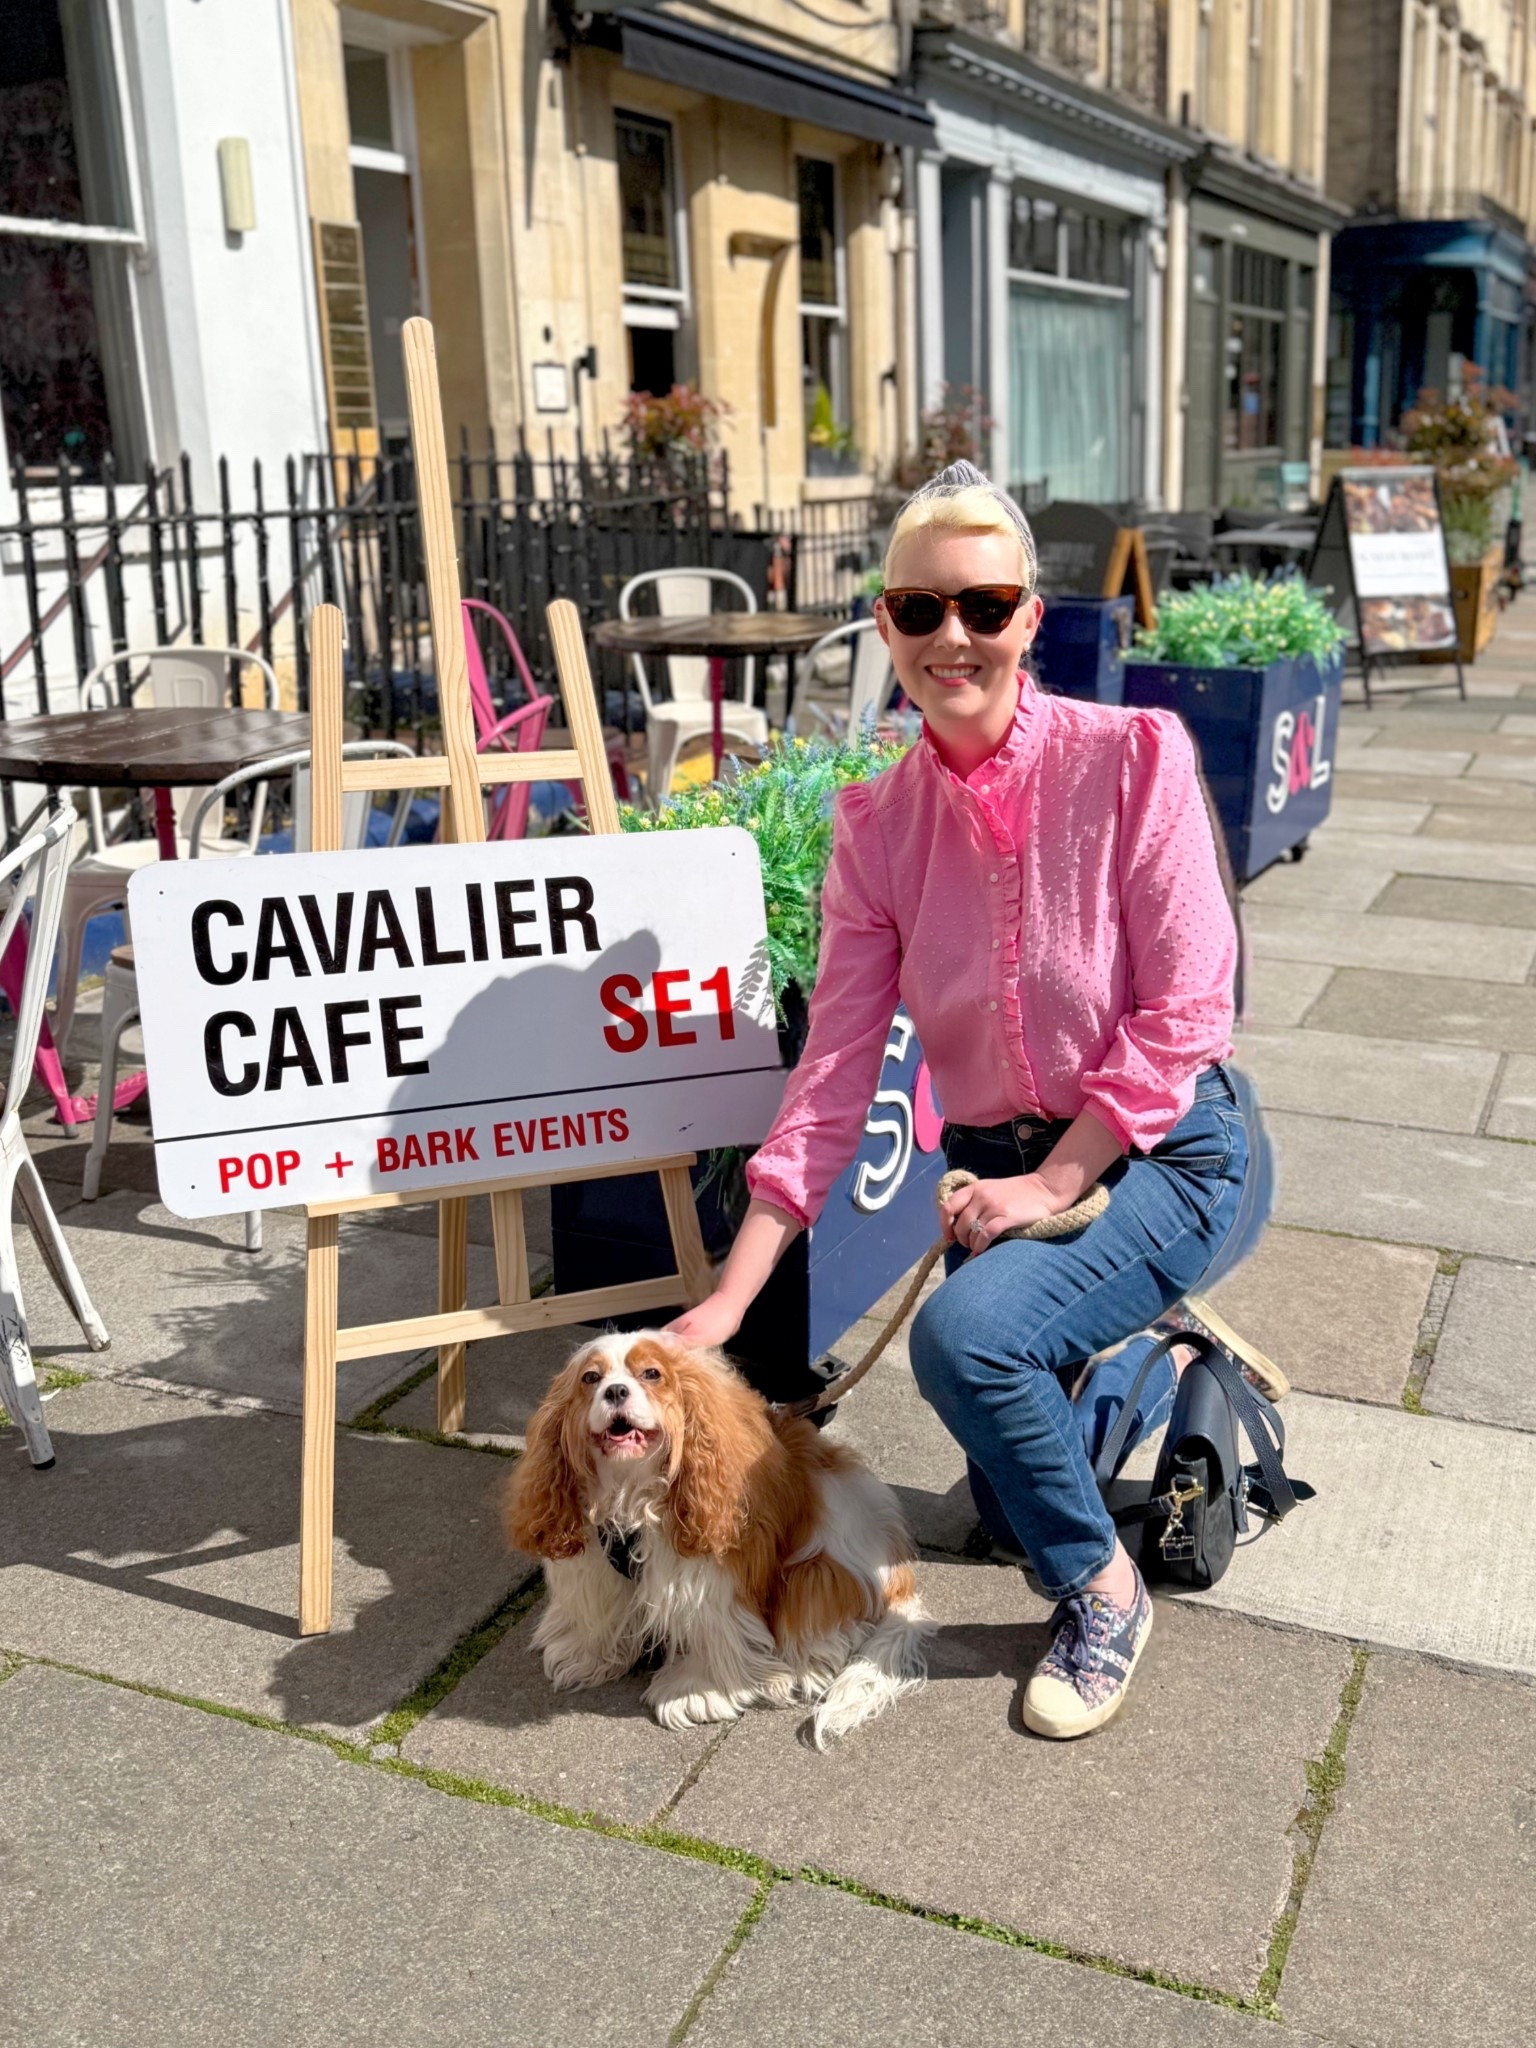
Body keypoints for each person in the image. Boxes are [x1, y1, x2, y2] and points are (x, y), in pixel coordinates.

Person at [668, 460, 1250, 1740]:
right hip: (1004, 1163)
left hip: (1169, 1146)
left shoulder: (1130, 759)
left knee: (966, 1344)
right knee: (1002, 1482)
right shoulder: (878, 827)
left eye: (984, 606)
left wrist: (1054, 1181)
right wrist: (730, 1296)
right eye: (918, 608)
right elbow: (831, 1076)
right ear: (883, 623)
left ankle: (1103, 1592)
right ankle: (1132, 1366)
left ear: (1030, 617)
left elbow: (1190, 1008)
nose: (953, 637)